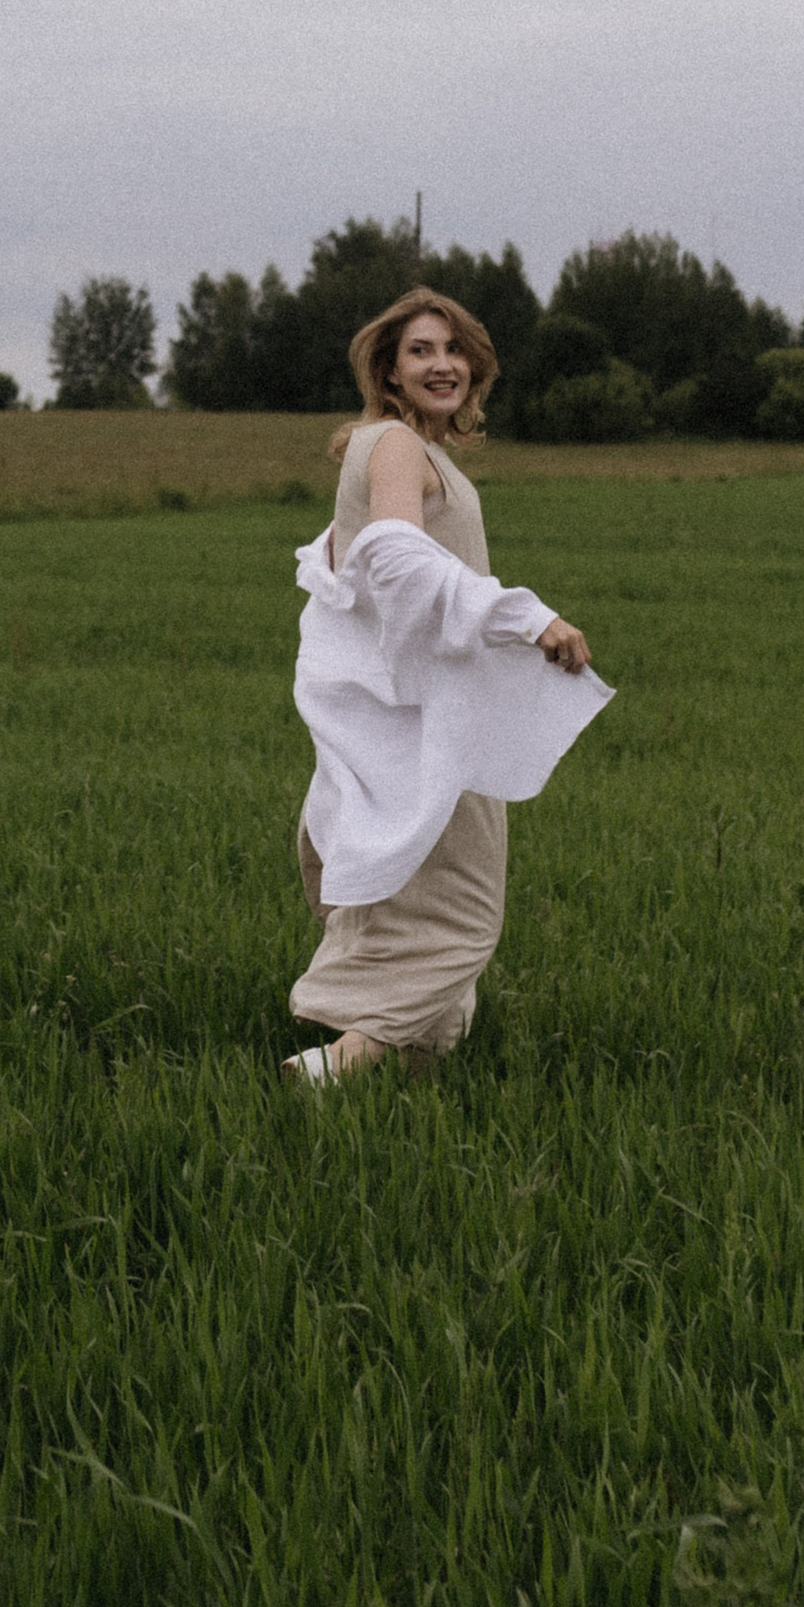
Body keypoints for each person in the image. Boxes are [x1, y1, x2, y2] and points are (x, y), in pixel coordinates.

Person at [286, 286, 611, 1082]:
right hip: (433, 729)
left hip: (430, 716)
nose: (444, 364)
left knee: (429, 933)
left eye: (454, 349)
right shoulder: (396, 446)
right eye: (421, 351)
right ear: (389, 375)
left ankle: (381, 1067)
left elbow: (340, 571)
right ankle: (322, 1074)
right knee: (463, 919)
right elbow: (392, 558)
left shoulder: (395, 448)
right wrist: (524, 616)